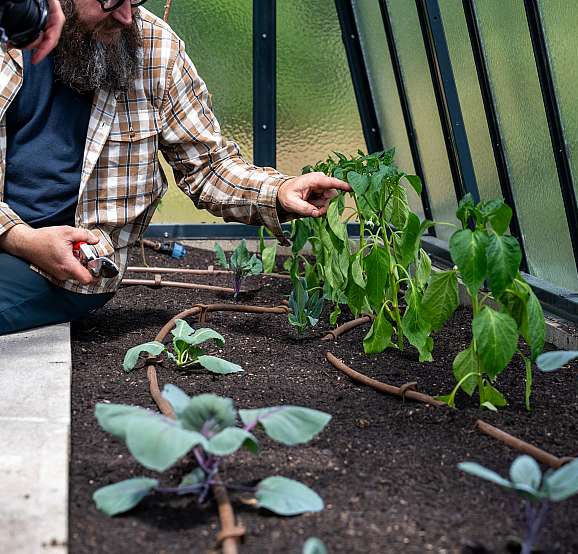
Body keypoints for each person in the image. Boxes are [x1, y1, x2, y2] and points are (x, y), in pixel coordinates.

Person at [0, 0, 350, 334]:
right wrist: (20, 238)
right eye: (110, 2)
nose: (126, 16)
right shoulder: (8, 35)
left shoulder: (156, 50)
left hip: (66, 269)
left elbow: (208, 167)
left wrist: (278, 191)